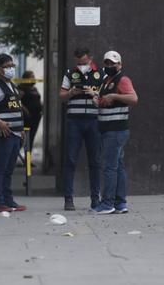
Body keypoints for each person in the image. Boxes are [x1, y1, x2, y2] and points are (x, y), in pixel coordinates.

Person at [92, 50, 138, 214]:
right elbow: (107, 102)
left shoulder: (122, 80)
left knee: (110, 167)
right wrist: (99, 99)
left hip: (115, 131)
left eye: (113, 63)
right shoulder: (106, 81)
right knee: (118, 166)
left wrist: (114, 96)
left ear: (120, 65)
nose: (109, 66)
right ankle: (120, 203)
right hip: (109, 130)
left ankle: (108, 203)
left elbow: (133, 98)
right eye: (107, 63)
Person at [59, 47, 105, 211]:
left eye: (83, 61)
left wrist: (94, 93)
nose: (81, 64)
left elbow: (105, 97)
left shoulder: (101, 73)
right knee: (70, 160)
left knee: (95, 161)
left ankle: (95, 199)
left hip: (93, 121)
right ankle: (68, 199)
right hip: (74, 121)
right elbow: (61, 96)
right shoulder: (70, 73)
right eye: (78, 61)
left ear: (90, 58)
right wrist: (71, 92)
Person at [0, 54, 27, 212]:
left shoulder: (12, 86)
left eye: (12, 66)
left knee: (9, 170)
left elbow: (15, 108)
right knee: (0, 169)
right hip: (3, 135)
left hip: (14, 135)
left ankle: (8, 200)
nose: (10, 69)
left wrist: (20, 129)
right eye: (7, 66)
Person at [18, 70, 42, 152]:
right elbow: (17, 101)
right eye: (31, 77)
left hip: (36, 117)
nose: (34, 78)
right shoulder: (21, 88)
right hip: (26, 117)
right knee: (22, 138)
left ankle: (28, 160)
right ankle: (12, 156)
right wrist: (25, 110)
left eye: (34, 76)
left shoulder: (34, 89)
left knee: (31, 138)